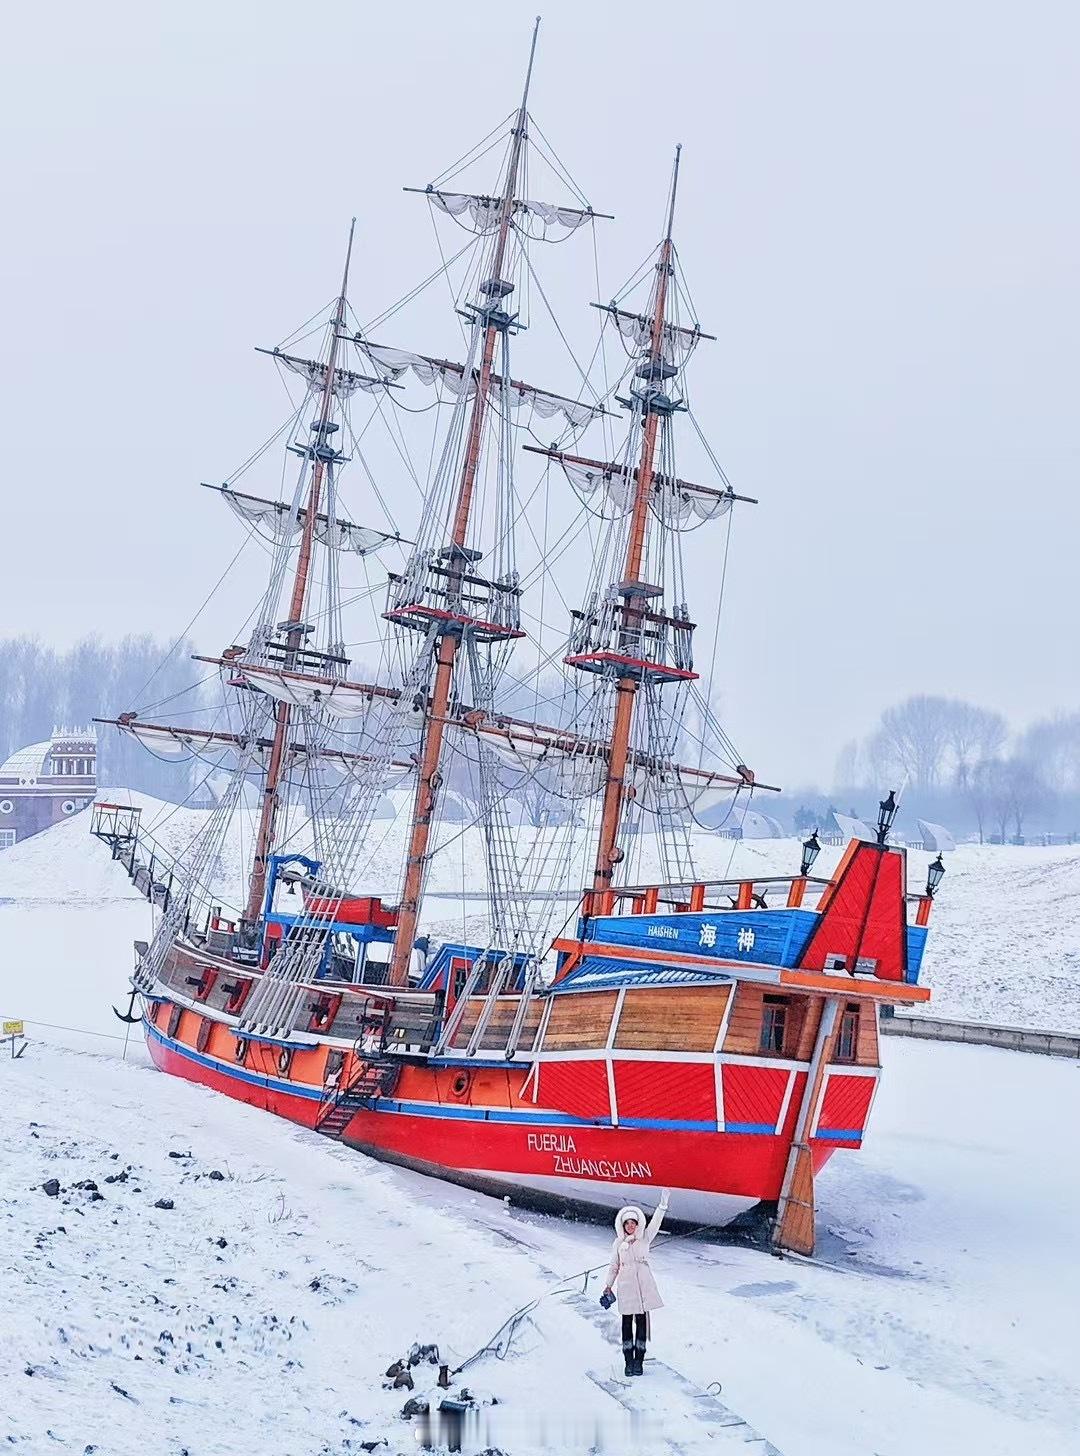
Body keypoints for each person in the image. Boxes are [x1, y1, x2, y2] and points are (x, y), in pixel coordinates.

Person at [602, 1188, 670, 1376]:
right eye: (627, 1223)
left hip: (643, 1286)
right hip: (625, 1286)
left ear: (638, 1224)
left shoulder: (645, 1238)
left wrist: (662, 1206)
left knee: (641, 1324)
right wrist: (608, 1285)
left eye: (633, 1223)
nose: (630, 1226)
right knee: (626, 1324)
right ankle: (628, 1361)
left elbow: (656, 1223)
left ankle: (639, 1361)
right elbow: (614, 1265)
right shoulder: (618, 1243)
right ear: (622, 1225)